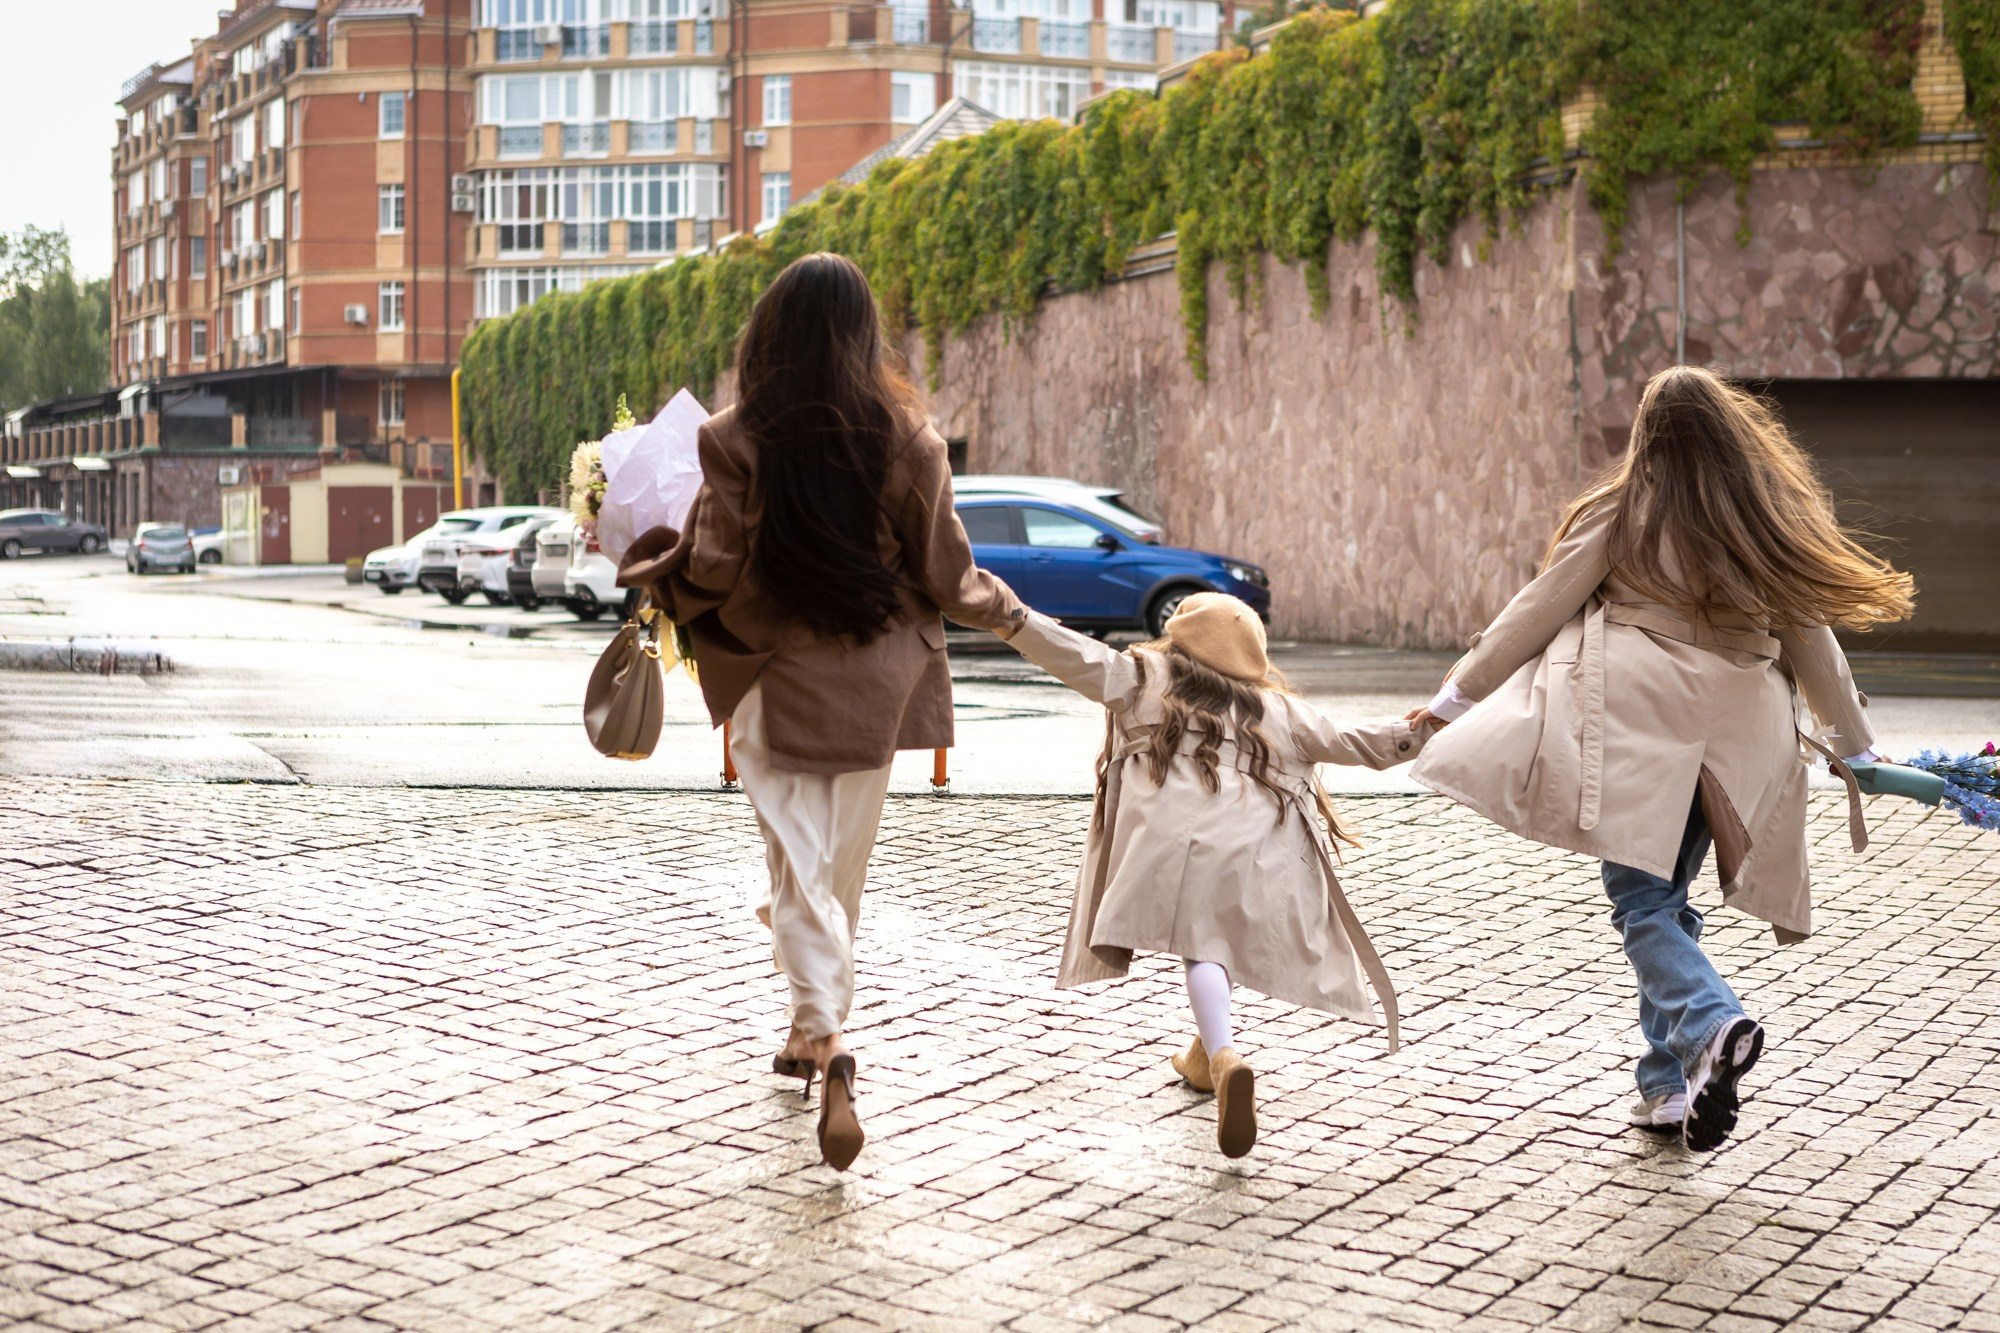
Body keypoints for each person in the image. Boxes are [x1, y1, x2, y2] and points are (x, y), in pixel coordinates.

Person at [1409, 365, 1914, 1151]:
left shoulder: (1624, 511)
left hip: (1641, 728)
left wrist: (1451, 701)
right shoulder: (1762, 516)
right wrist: (1859, 745)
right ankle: (1667, 1084)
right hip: (1738, 740)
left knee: (1641, 904)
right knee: (1667, 897)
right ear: (1730, 431)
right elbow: (1814, 638)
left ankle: (1714, 1023)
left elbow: (1537, 608)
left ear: (1649, 434)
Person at [617, 253, 1023, 1171]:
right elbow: (948, 573)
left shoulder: (734, 436)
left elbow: (713, 567)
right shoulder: (912, 441)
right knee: (831, 872)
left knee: (798, 872)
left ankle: (831, 1040)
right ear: (861, 335)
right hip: (879, 691)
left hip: (775, 681)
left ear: (770, 333)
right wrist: (1014, 615)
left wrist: (644, 553)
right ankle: (808, 1032)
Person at [994, 592, 1431, 1158]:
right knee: (1214, 946)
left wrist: (1012, 618)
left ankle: (1224, 1060)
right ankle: (1202, 1060)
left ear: (1179, 639)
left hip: (1169, 846)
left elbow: (1072, 654)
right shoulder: (1278, 711)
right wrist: (1422, 728)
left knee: (1203, 949)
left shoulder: (1142, 676)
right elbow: (1355, 743)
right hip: (1253, 850)